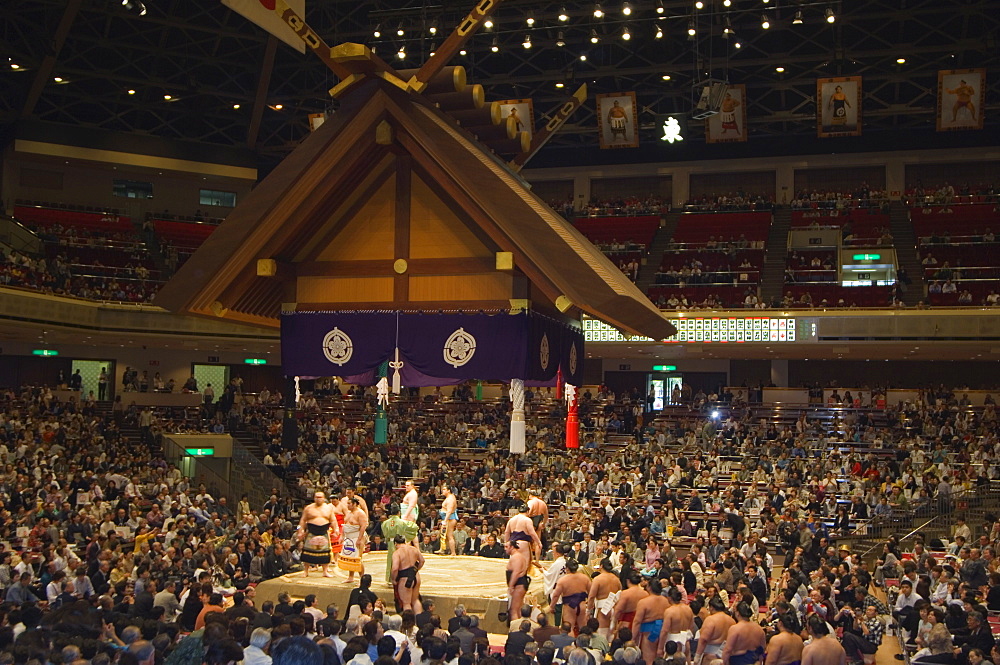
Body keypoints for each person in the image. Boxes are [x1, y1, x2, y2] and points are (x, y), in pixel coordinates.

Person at [298, 490, 338, 578]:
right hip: (311, 531)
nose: (318, 499)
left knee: (325, 552)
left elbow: (333, 520)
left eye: (320, 497)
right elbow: (303, 520)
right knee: (307, 553)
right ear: (314, 498)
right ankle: (306, 571)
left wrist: (336, 529)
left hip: (324, 531)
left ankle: (325, 571)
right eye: (316, 497)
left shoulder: (328, 508)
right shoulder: (308, 508)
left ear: (324, 498)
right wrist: (300, 530)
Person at [633, 579, 670, 665]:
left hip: (649, 632)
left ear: (649, 588)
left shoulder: (644, 602)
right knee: (660, 658)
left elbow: (637, 622)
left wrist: (633, 638)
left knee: (648, 658)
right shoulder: (666, 601)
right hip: (663, 631)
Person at [381, 504, 419, 584]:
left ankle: (390, 579)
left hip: (391, 543)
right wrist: (406, 536)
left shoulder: (385, 523)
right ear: (399, 512)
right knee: (401, 559)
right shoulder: (402, 523)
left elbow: (385, 533)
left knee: (391, 560)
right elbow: (415, 527)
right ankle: (399, 577)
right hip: (400, 543)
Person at [552, 559, 592, 635]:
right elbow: (591, 593)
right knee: (583, 628)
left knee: (569, 628)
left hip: (569, 606)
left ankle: (571, 646)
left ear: (567, 568)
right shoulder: (585, 578)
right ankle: (584, 644)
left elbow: (556, 595)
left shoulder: (562, 580)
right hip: (582, 605)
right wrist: (590, 605)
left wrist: (552, 606)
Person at [697, 596, 736, 665]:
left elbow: (703, 639)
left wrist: (697, 656)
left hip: (710, 656)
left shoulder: (710, 619)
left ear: (711, 607)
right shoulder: (732, 621)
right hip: (725, 657)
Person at [391, 535, 425, 615]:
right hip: (416, 576)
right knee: (415, 600)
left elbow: (395, 568)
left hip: (404, 578)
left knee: (406, 603)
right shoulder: (414, 549)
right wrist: (415, 570)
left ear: (395, 544)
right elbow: (422, 561)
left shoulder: (397, 553)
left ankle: (409, 623)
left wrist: (393, 579)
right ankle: (419, 620)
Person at [589, 559, 623, 639]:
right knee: (612, 633)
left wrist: (588, 611)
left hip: (602, 609)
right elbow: (620, 593)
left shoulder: (598, 579)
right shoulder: (616, 579)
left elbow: (591, 596)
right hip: (614, 608)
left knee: (602, 633)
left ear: (601, 566)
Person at [660, 587, 695, 660]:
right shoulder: (688, 609)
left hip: (672, 643)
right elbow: (691, 628)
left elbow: (664, 631)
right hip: (685, 642)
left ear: (669, 598)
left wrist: (660, 648)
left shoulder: (669, 611)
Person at [343, 496, 369, 583]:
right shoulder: (348, 513)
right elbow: (345, 526)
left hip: (358, 536)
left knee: (357, 559)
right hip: (349, 538)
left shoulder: (360, 513)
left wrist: (359, 539)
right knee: (350, 558)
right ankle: (351, 577)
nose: (347, 505)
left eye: (349, 503)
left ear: (355, 504)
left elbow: (363, 526)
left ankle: (362, 579)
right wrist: (342, 537)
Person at [506, 541, 532, 623]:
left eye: (506, 547)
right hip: (520, 584)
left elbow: (516, 572)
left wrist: (511, 586)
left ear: (512, 547)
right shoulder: (518, 556)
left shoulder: (516, 557)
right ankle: (521, 629)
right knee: (518, 610)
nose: (505, 549)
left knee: (514, 610)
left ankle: (516, 630)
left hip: (518, 585)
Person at [440, 486, 459, 556]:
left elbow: (449, 511)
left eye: (444, 489)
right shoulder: (449, 497)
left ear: (448, 490)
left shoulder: (450, 499)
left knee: (449, 535)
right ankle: (442, 549)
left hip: (449, 518)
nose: (443, 491)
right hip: (447, 518)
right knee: (443, 533)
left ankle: (453, 552)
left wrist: (445, 520)